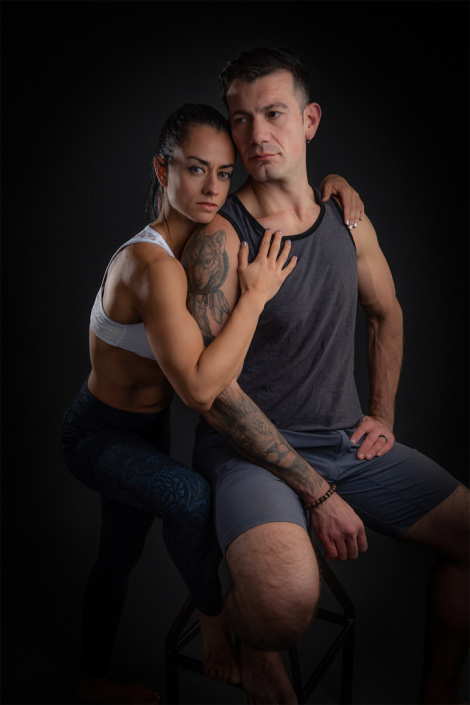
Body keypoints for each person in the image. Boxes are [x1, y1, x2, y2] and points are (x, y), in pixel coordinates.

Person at [181, 49, 470, 705]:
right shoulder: (221, 242)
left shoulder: (348, 217)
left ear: (309, 120)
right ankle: (254, 633)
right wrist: (314, 490)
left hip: (343, 441)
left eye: (275, 114)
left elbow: (386, 312)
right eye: (241, 119)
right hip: (247, 455)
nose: (257, 135)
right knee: (282, 604)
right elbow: (212, 395)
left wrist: (384, 416)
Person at [59, 101, 358, 705]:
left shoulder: (201, 238)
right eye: (196, 170)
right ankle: (218, 627)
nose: (213, 188)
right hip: (99, 435)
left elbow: (274, 187)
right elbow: (198, 388)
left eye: (224, 173)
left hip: (145, 431)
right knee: (190, 498)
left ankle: (91, 682)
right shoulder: (152, 265)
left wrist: (336, 184)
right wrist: (254, 299)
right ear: (162, 169)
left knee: (116, 559)